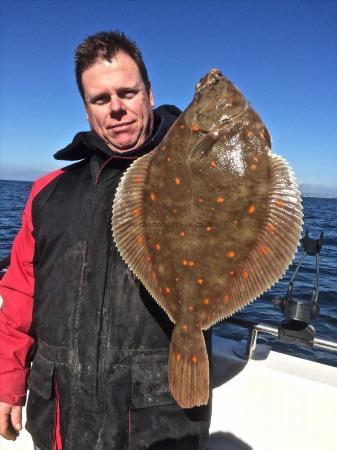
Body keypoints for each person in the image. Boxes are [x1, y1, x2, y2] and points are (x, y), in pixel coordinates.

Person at [0, 31, 211, 450]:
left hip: (156, 421)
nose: (116, 108)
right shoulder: (49, 192)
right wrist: (9, 379)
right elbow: (22, 289)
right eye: (100, 99)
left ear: (149, 95)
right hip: (61, 416)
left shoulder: (198, 177)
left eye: (127, 92)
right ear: (86, 109)